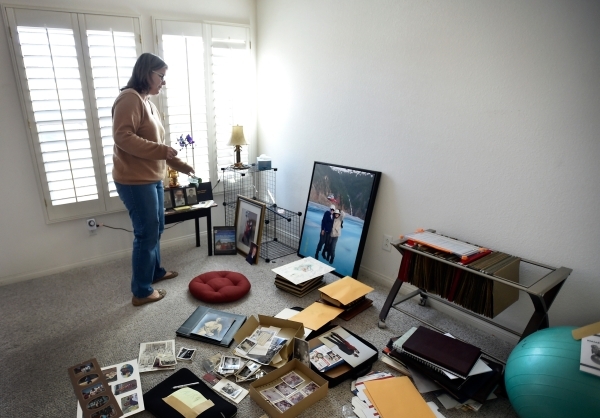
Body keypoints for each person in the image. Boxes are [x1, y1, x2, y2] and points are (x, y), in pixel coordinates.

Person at [112, 53, 194, 306]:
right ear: (146, 73)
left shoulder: (148, 103)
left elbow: (156, 145)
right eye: (161, 76)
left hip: (152, 177)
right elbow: (122, 137)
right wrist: (161, 151)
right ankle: (141, 291)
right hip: (135, 181)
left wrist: (180, 165)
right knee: (146, 233)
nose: (163, 82)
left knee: (156, 229)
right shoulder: (129, 98)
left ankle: (154, 273)